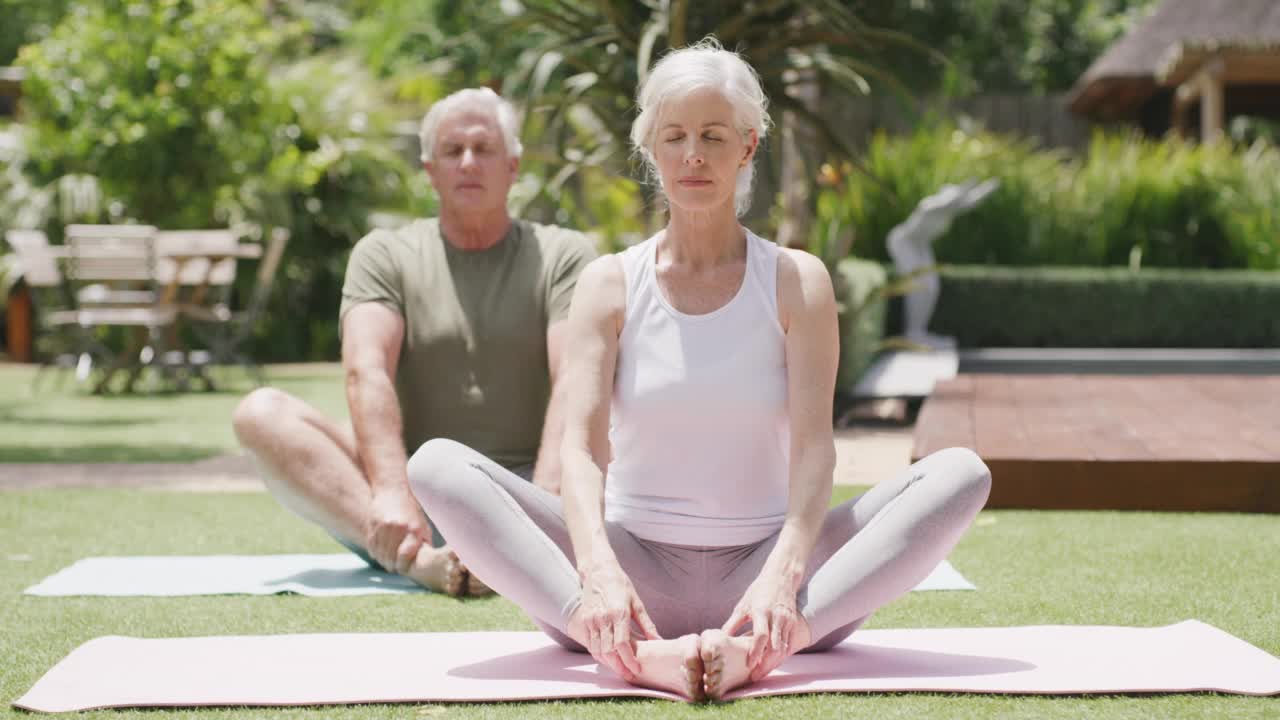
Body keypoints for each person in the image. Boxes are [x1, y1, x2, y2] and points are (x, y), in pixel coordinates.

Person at [405, 41, 991, 700]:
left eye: (713, 136)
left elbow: (815, 447)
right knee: (435, 465)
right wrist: (597, 570)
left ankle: (767, 648)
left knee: (962, 473)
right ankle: (624, 649)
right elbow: (579, 450)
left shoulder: (797, 281)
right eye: (675, 135)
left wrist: (783, 573)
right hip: (632, 575)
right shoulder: (609, 284)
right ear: (650, 148)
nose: (693, 155)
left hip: (773, 578)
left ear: (747, 146)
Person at [232, 87, 596, 596]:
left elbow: (575, 377)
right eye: (452, 150)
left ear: (512, 166)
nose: (468, 162)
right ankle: (416, 561)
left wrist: (546, 503)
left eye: (484, 149)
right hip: (412, 500)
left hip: (525, 497)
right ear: (430, 169)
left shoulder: (564, 254)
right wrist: (392, 491)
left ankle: (516, 552)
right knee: (260, 412)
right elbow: (367, 369)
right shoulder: (384, 254)